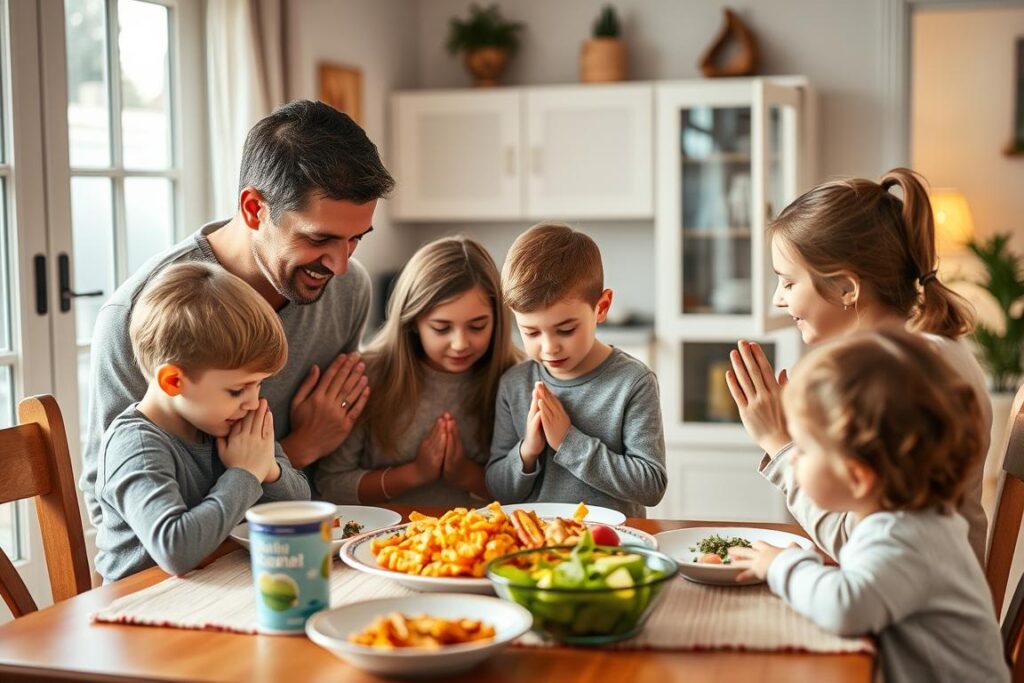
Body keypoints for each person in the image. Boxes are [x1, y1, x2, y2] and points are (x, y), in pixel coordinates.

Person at [81, 100, 395, 525]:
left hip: (294, 531)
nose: (340, 265)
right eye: (320, 239)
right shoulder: (139, 313)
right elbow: (112, 501)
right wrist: (299, 446)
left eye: (356, 239)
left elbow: (328, 469)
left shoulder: (348, 290)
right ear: (254, 209)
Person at [726, 168, 991, 564]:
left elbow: (860, 546)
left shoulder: (901, 374)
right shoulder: (927, 352)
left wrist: (778, 444)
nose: (778, 300)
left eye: (788, 282)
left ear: (847, 288)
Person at [730, 328, 1008, 683]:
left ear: (858, 477)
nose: (791, 458)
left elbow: (844, 607)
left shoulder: (903, 536)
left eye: (803, 448)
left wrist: (781, 564)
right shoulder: (908, 519)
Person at [94, 263, 310, 582]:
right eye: (237, 389)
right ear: (172, 381)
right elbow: (175, 551)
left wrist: (269, 469)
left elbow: (298, 505)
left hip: (215, 591)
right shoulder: (135, 444)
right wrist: (246, 473)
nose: (253, 402)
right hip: (141, 609)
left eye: (258, 384)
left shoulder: (227, 420)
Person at [316, 237, 521, 506]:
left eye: (477, 326)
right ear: (412, 322)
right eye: (441, 328)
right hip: (384, 541)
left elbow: (535, 493)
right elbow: (330, 485)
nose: (460, 344)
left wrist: (465, 475)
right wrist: (414, 474)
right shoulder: (368, 376)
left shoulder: (516, 379)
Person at [485, 223, 667, 518]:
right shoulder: (514, 384)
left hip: (610, 547)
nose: (549, 348)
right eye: (531, 333)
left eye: (566, 330)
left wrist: (568, 442)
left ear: (602, 307)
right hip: (535, 549)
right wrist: (528, 451)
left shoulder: (633, 382)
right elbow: (498, 489)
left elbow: (651, 485)